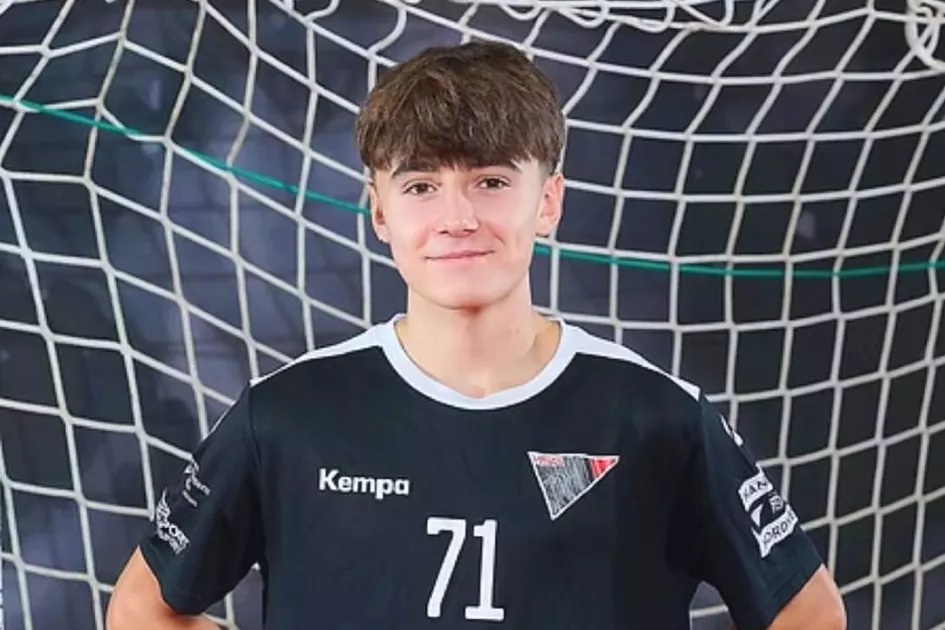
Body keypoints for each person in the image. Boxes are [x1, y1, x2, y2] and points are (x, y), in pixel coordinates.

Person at [106, 42, 847, 630]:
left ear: (548, 201)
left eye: (491, 181)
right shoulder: (287, 413)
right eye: (420, 186)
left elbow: (809, 613)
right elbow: (142, 609)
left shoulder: (656, 415)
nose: (457, 219)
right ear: (380, 212)